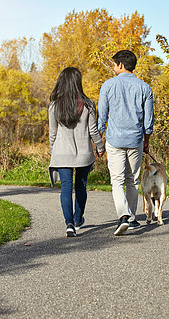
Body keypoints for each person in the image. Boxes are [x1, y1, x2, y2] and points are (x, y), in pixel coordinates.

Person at [97, 50, 154, 236]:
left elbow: (102, 117)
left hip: (114, 140)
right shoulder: (145, 88)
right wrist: (146, 141)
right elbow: (148, 121)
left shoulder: (107, 86)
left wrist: (99, 140)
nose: (113, 68)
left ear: (121, 65)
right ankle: (131, 218)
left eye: (114, 64)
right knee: (132, 180)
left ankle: (123, 217)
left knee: (117, 180)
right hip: (135, 139)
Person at [49, 67, 105, 237]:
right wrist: (100, 147)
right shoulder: (88, 104)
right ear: (77, 83)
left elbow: (53, 134)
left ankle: (69, 224)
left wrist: (54, 152)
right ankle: (78, 219)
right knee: (81, 187)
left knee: (66, 188)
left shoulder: (54, 105)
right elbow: (93, 130)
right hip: (83, 154)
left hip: (62, 153)